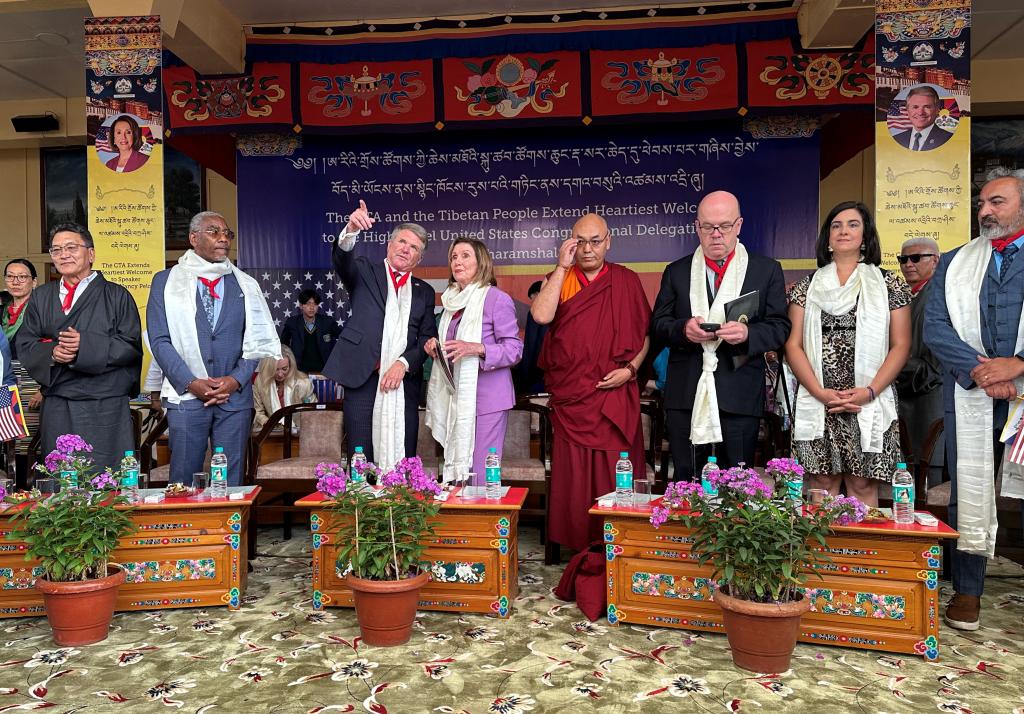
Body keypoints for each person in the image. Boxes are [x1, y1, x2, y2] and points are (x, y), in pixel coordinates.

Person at [924, 167, 1024, 631]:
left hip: (1021, 386)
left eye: (996, 202)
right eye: (981, 204)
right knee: (970, 488)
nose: (985, 211)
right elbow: (936, 328)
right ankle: (967, 591)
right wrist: (985, 371)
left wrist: (1018, 365)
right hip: (973, 390)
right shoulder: (955, 261)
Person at [652, 190, 790, 481]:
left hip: (738, 390)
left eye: (724, 226)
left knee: (737, 480)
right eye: (708, 227)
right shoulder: (677, 271)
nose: (716, 234)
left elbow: (780, 327)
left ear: (738, 225)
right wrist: (683, 329)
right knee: (687, 479)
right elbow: (658, 325)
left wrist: (747, 333)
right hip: (687, 390)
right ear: (696, 227)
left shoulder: (765, 270)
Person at [533, 213, 650, 552]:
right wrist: (560, 266)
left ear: (608, 241)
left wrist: (630, 369)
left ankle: (622, 542)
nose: (587, 249)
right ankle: (577, 546)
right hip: (575, 399)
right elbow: (541, 316)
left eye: (594, 241)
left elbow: (644, 334)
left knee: (617, 469)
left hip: (615, 397)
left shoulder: (625, 281)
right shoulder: (562, 278)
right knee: (576, 477)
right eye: (579, 241)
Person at [785, 202, 911, 506]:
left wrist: (869, 392)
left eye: (853, 224)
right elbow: (792, 345)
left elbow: (901, 345)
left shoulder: (889, 284)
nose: (844, 231)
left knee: (862, 481)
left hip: (869, 398)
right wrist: (819, 392)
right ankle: (820, 554)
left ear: (866, 235)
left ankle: (860, 553)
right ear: (827, 238)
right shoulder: (806, 287)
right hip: (820, 400)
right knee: (821, 482)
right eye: (836, 225)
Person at [148, 211, 280, 486]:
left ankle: (230, 529)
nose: (223, 238)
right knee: (183, 480)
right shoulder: (165, 282)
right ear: (193, 238)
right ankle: (186, 530)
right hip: (186, 398)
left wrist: (234, 380)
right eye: (213, 232)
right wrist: (190, 382)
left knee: (230, 483)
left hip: (233, 399)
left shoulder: (246, 285)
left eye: (227, 233)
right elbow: (160, 340)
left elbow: (255, 342)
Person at [16, 223, 142, 472]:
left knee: (106, 476)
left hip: (104, 402)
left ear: (91, 254)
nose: (63, 254)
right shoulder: (41, 296)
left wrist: (84, 346)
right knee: (62, 474)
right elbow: (26, 342)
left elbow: (130, 346)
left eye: (71, 247)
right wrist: (51, 353)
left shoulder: (117, 295)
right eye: (56, 250)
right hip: (58, 401)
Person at [322, 200, 437, 469]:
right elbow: (341, 258)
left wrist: (403, 363)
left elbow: (426, 339)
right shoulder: (364, 271)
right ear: (389, 244)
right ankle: (362, 511)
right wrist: (350, 229)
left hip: (402, 383)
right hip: (363, 377)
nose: (406, 250)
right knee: (361, 457)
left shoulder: (425, 292)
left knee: (403, 458)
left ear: (419, 259)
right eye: (402, 242)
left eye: (414, 248)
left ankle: (400, 509)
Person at [425, 238, 523, 482]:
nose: (457, 261)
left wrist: (478, 348)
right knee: (458, 472)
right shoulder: (451, 303)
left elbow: (515, 349)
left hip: (488, 401)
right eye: (453, 257)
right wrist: (436, 348)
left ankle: (482, 520)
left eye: (465, 255)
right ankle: (461, 520)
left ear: (482, 262)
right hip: (456, 399)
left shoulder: (496, 299)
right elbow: (453, 349)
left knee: (479, 472)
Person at [895, 238, 943, 466]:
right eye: (903, 259)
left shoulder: (941, 294)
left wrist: (888, 367)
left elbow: (936, 363)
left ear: (935, 260)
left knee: (927, 473)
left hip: (929, 395)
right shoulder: (904, 295)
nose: (908, 264)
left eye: (916, 258)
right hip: (904, 393)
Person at [1, 259, 42, 475]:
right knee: (8, 439)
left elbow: (53, 348)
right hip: (5, 381)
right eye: (10, 276)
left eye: (22, 277)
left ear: (34, 282)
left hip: (32, 381)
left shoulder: (41, 310)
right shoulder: (2, 312)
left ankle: (29, 490)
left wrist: (44, 388)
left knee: (29, 441)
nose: (15, 281)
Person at [253, 345, 314, 432]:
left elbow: (313, 411)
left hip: (300, 433)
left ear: (291, 366)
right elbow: (257, 411)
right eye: (276, 370)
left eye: (284, 369)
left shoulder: (303, 383)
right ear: (269, 368)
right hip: (271, 432)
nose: (280, 374)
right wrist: (268, 423)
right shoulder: (260, 382)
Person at [279, 288, 340, 374]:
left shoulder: (327, 322)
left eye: (315, 304)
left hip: (324, 371)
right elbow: (283, 345)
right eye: (308, 304)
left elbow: (342, 338)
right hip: (298, 370)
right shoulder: (292, 322)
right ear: (301, 305)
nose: (312, 308)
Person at [892, 85, 953, 152]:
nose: (920, 113)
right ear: (907, 110)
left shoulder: (948, 138)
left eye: (927, 107)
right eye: (915, 107)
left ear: (937, 110)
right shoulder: (897, 138)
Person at [515, 280, 548, 395]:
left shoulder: (536, 313)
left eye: (533, 297)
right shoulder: (556, 310)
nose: (533, 302)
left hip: (536, 364)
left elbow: (532, 341)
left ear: (539, 294)